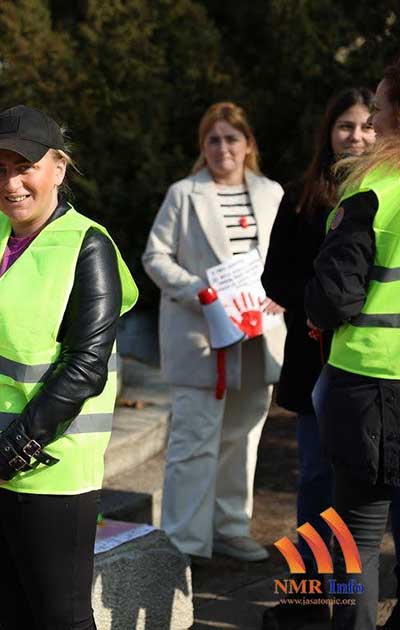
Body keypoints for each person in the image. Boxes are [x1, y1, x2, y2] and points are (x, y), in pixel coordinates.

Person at [0, 105, 138, 629]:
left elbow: (84, 367)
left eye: (24, 166)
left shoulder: (88, 246)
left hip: (48, 471)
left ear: (59, 167)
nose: (11, 183)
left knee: (61, 620)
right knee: (13, 618)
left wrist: (6, 457)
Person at [142, 102, 286, 562]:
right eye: (213, 139)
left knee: (243, 436)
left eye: (232, 138)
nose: (223, 147)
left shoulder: (272, 193)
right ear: (203, 147)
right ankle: (184, 542)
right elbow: (155, 257)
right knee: (193, 440)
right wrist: (199, 290)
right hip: (200, 336)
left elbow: (285, 260)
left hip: (257, 334)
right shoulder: (184, 194)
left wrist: (283, 293)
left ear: (249, 145)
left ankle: (230, 527)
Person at [261, 87, 376, 627]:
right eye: (345, 126)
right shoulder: (302, 196)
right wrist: (320, 303)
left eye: (366, 125)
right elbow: (274, 276)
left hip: (374, 368)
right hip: (315, 365)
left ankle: (354, 598)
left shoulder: (385, 191)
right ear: (328, 133)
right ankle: (308, 602)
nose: (357, 136)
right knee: (313, 483)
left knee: (368, 500)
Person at [305, 60, 400, 630]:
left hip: (368, 383)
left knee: (357, 543)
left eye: (383, 110)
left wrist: (316, 307)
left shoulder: (373, 189)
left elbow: (334, 298)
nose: (373, 121)